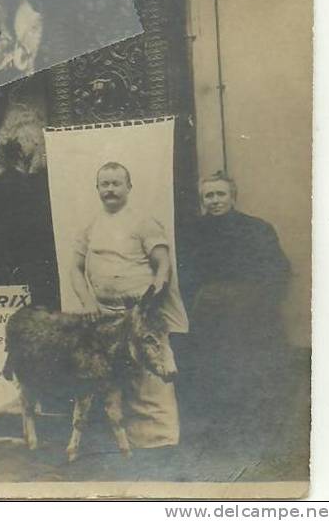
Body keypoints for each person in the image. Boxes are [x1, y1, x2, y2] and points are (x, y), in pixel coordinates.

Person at [70, 162, 188, 449]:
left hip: (141, 314)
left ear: (129, 187)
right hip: (107, 318)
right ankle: (128, 444)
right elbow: (75, 268)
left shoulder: (143, 222)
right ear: (97, 188)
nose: (110, 189)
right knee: (116, 378)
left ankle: (162, 442)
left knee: (151, 376)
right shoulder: (90, 225)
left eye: (116, 183)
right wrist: (87, 302)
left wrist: (153, 296)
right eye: (105, 184)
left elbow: (163, 264)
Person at [177, 172, 292, 453]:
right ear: (202, 200)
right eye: (209, 196)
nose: (214, 201)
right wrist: (198, 303)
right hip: (209, 316)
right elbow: (185, 274)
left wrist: (259, 305)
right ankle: (217, 437)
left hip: (249, 317)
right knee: (212, 372)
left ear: (233, 197)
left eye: (220, 194)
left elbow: (278, 271)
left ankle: (253, 437)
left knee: (248, 371)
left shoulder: (257, 229)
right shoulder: (193, 232)